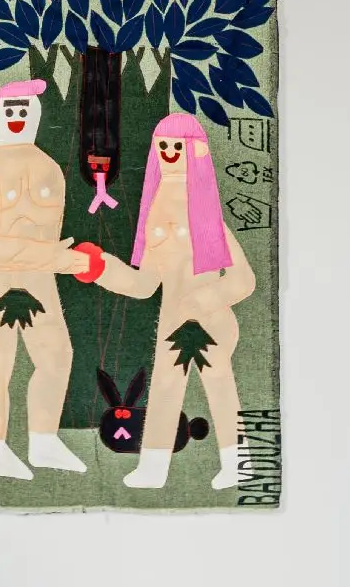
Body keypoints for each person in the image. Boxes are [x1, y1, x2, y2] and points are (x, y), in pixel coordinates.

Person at [96, 113, 255, 490]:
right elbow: (144, 284)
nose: (169, 152)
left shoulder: (209, 220)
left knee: (219, 386)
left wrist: (202, 301)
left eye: (177, 146)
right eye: (163, 146)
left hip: (210, 321)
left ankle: (238, 463)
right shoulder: (157, 219)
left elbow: (243, 280)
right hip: (173, 322)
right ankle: (154, 468)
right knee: (166, 390)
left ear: (194, 151)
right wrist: (100, 268)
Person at [0, 79, 96, 481]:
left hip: (41, 283)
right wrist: (55, 257)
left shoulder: (48, 168)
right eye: (10, 110)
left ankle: (43, 440)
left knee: (56, 357)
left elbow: (51, 231)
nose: (17, 117)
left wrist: (55, 258)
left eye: (24, 110)